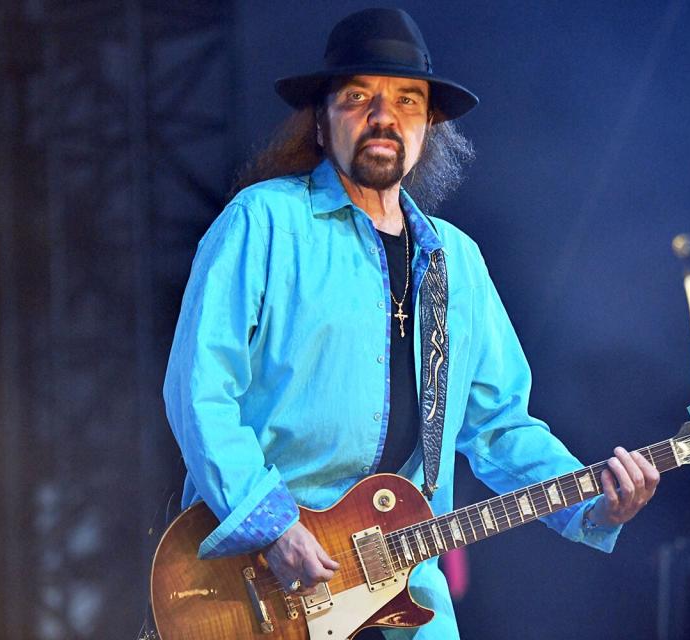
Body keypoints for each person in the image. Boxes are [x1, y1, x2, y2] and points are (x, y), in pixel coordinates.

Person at [163, 8, 660, 639]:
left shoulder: (458, 262)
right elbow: (200, 390)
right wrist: (272, 523)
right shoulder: (262, 223)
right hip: (261, 579)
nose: (383, 116)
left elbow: (501, 428)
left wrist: (596, 501)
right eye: (356, 97)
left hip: (409, 597)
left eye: (406, 100)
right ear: (321, 122)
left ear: (429, 126)